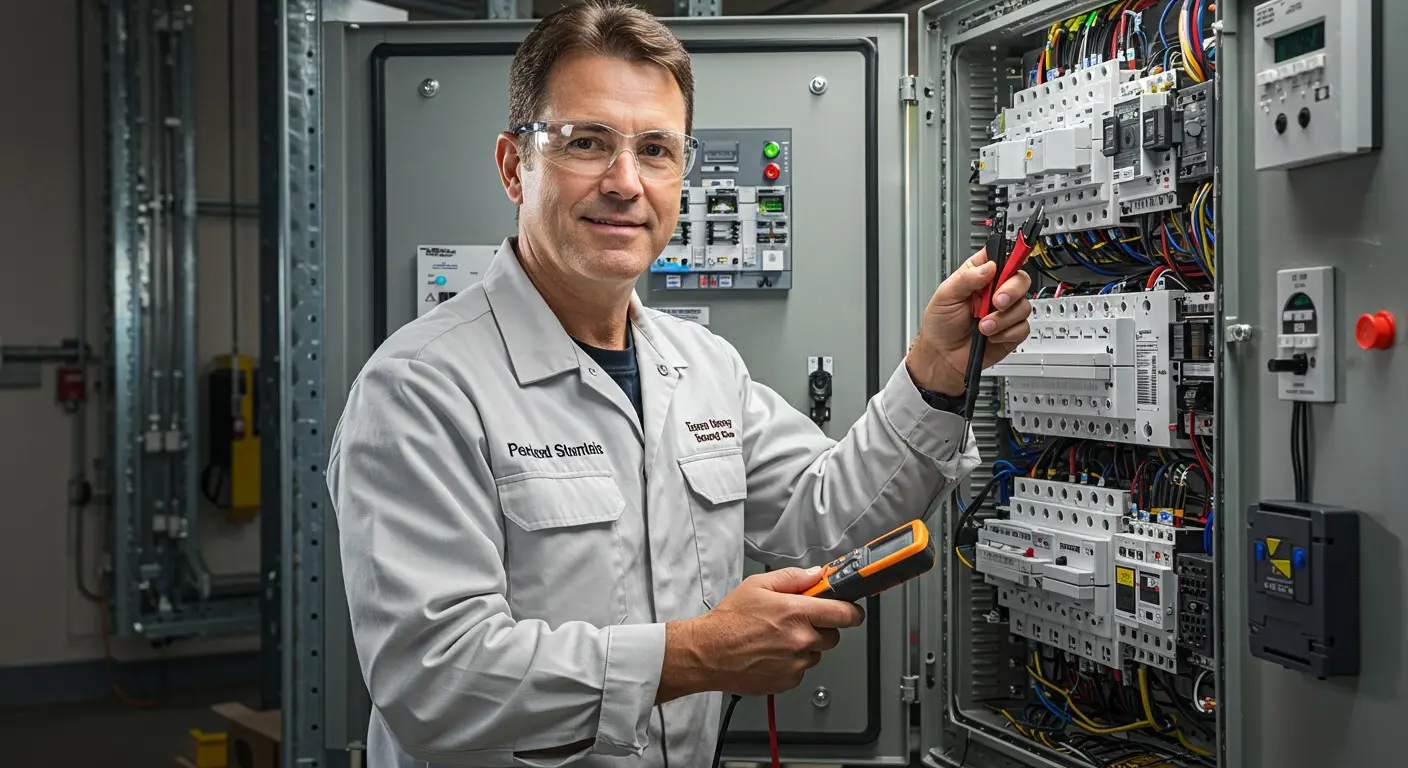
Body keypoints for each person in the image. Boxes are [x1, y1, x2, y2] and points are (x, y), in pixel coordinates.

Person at [326, 2, 1032, 766]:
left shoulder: (702, 366)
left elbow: (827, 522)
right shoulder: (420, 389)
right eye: (585, 142)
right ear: (512, 166)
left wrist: (934, 374)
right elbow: (436, 679)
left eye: (656, 150)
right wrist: (690, 656)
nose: (625, 182)